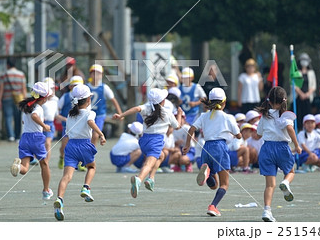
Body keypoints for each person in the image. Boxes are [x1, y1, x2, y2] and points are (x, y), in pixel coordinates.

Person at [113, 88, 182, 198]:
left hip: (144, 141)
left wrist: (121, 115)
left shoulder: (146, 108)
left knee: (161, 155)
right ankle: (139, 179)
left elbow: (136, 108)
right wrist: (179, 114)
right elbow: (178, 126)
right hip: (156, 141)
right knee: (148, 164)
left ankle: (151, 178)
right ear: (163, 101)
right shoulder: (167, 113)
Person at [183, 87, 242, 217]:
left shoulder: (204, 116)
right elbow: (239, 136)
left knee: (214, 186)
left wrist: (187, 144)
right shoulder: (228, 117)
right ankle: (213, 206)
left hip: (206, 147)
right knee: (225, 184)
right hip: (220, 147)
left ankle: (208, 174)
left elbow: (192, 128)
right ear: (224, 102)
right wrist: (233, 134)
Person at [53, 84, 106, 221]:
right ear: (88, 99)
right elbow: (90, 122)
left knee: (67, 176)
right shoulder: (91, 113)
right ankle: (86, 188)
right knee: (92, 167)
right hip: (84, 144)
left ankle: (60, 199)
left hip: (70, 146)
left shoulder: (70, 114)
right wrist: (100, 134)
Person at [255, 86, 302, 222]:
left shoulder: (265, 115)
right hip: (282, 147)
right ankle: (286, 183)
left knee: (269, 185)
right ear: (284, 100)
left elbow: (258, 134)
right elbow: (290, 128)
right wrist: (297, 145)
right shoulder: (286, 115)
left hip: (267, 148)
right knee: (291, 172)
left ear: (269, 101)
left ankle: (266, 210)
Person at [10, 82, 54, 201]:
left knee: (24, 168)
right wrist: (44, 125)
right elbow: (34, 116)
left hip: (24, 138)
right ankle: (46, 190)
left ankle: (18, 167)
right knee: (44, 164)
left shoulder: (26, 107)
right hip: (36, 138)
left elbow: (25, 122)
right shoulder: (38, 108)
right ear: (44, 98)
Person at [57, 75, 84, 170]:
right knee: (64, 145)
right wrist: (63, 118)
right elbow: (57, 110)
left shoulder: (84, 97)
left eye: (79, 85)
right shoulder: (65, 97)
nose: (77, 87)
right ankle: (61, 157)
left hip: (79, 125)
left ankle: (80, 163)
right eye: (75, 85)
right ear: (70, 86)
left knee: (80, 144)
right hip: (67, 125)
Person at [0, 58, 27, 141]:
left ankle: (11, 135)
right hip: (19, 99)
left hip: (7, 98)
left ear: (7, 65)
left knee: (8, 117)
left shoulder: (4, 75)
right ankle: (17, 136)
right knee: (18, 117)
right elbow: (24, 89)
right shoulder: (21, 74)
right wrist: (25, 100)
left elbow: (1, 89)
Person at [87, 64, 122, 130]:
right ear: (90, 74)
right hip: (87, 114)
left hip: (99, 114)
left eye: (98, 74)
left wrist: (120, 113)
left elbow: (113, 100)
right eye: (94, 73)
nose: (96, 76)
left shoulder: (104, 87)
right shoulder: (86, 87)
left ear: (101, 75)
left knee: (96, 135)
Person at [41, 78, 66, 163]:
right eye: (50, 89)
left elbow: (56, 115)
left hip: (50, 124)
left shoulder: (56, 100)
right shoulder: (40, 100)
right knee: (38, 144)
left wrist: (67, 119)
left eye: (53, 89)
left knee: (48, 143)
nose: (52, 91)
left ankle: (46, 163)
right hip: (39, 124)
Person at [295, 53, 316, 129]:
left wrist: (307, 94)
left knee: (307, 114)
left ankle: (307, 128)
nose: (304, 62)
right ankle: (299, 128)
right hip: (299, 97)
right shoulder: (296, 72)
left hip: (308, 97)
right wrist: (301, 94)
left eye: (306, 60)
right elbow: (294, 85)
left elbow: (313, 86)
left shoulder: (311, 72)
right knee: (299, 114)